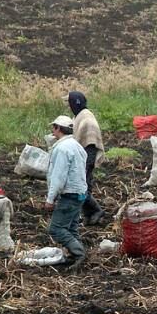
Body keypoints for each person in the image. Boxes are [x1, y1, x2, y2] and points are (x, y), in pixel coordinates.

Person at [45, 116, 88, 269]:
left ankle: (79, 253)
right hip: (80, 193)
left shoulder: (62, 149)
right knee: (71, 228)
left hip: (69, 194)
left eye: (53, 127)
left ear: (58, 128)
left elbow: (58, 177)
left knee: (56, 229)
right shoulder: (76, 145)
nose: (52, 131)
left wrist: (50, 199)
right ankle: (74, 255)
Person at [68, 91, 105, 225]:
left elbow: (90, 141)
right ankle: (89, 216)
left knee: (81, 188)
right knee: (85, 186)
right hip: (84, 155)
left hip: (87, 156)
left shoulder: (86, 119)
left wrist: (87, 163)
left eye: (70, 103)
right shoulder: (81, 116)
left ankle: (96, 210)